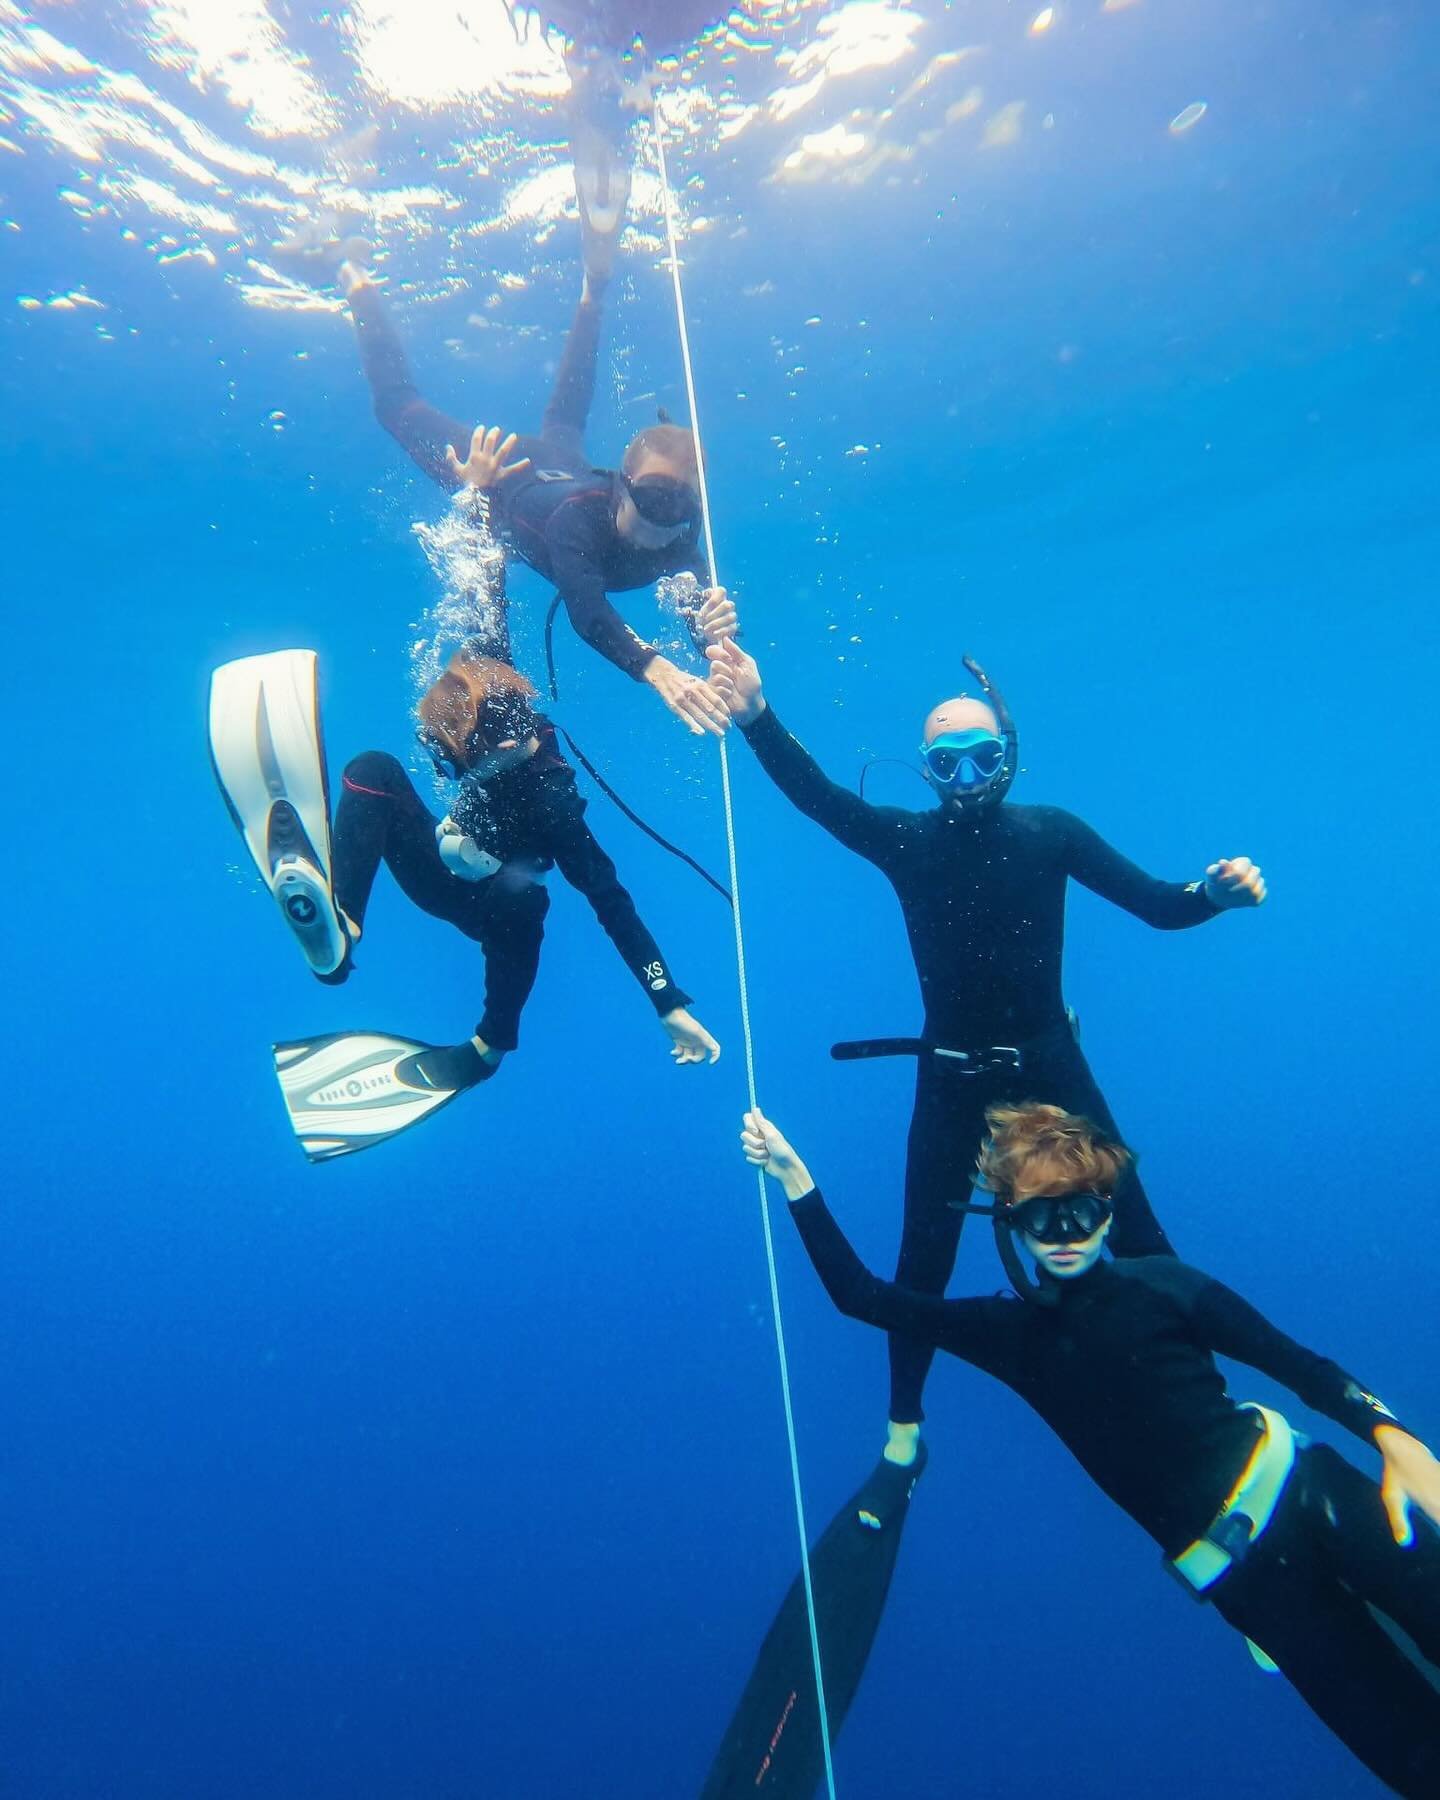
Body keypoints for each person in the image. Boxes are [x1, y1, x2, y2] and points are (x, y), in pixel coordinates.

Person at [740, 1101, 1440, 1797]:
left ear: (1109, 1210)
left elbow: (1303, 1368)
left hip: (1317, 1491)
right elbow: (861, 1297)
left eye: (1084, 1212)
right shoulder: (1007, 1333)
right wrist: (795, 1177)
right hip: (1250, 1585)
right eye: (1043, 1218)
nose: (1066, 1234)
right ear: (1009, 1222)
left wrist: (1393, 1437)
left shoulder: (1165, 1282)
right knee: (1417, 1760)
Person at [704, 597, 1267, 1461]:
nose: (966, 778)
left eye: (982, 758)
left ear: (1007, 758)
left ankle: (1206, 1401)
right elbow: (816, 798)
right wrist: (755, 714)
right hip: (953, 1072)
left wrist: (1212, 897)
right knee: (920, 1256)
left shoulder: (1052, 833)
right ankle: (903, 1430)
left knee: (1143, 1235)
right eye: (946, 762)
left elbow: (1158, 905)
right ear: (926, 770)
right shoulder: (904, 841)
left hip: (1050, 1059)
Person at [274, 141, 728, 738]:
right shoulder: (578, 525)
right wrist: (654, 668)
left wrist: (716, 641)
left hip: (562, 467)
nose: (661, 523)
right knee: (397, 408)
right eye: (652, 499)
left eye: (679, 508)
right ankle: (348, 268)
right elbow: (587, 612)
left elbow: (702, 613)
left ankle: (594, 292)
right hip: (506, 472)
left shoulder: (680, 548)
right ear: (623, 487)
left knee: (566, 418)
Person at [209, 644, 718, 1162]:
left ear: (501, 746)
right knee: (373, 767)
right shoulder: (492, 676)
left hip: (487, 903)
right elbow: (488, 604)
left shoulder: (553, 808)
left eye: (454, 764)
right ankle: (342, 927)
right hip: (444, 861)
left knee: (523, 900)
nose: (449, 774)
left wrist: (667, 1000)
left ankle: (488, 1048)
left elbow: (612, 903)